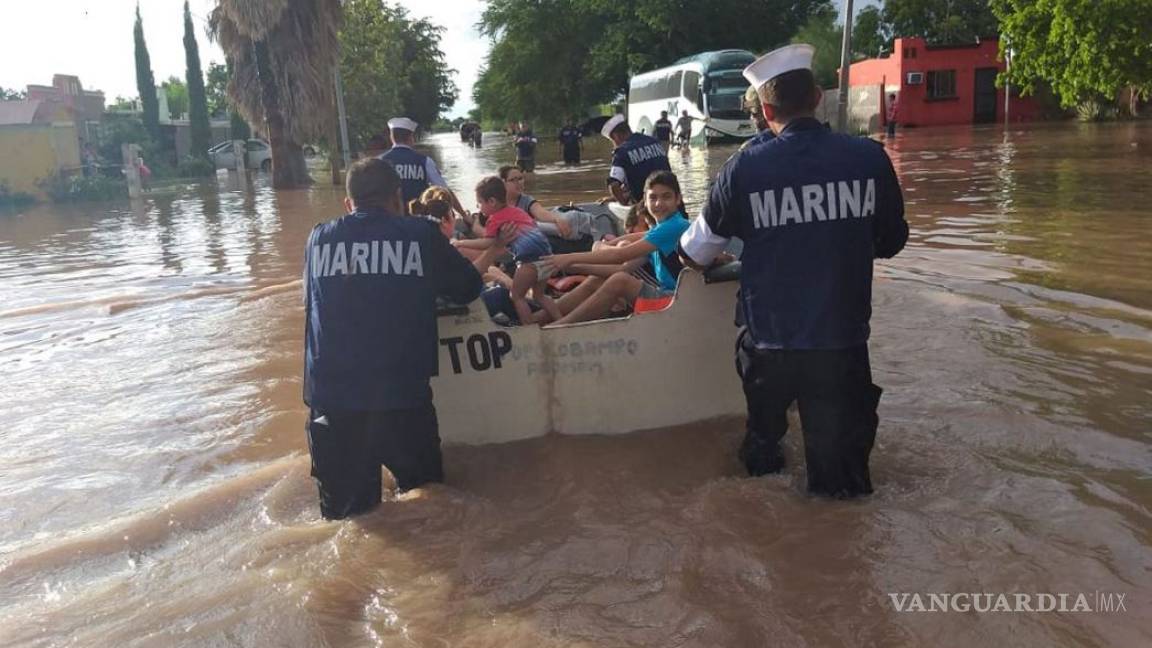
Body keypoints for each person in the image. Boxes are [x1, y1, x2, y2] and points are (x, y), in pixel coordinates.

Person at [678, 44, 909, 499]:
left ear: (765, 109)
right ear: (818, 97)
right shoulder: (868, 159)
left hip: (770, 344)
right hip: (841, 342)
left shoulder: (743, 167)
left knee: (764, 459)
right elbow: (891, 242)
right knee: (842, 487)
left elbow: (696, 252)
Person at [302, 158, 509, 520]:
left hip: (330, 404)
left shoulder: (317, 238)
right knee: (429, 505)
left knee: (350, 522)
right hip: (401, 401)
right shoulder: (420, 235)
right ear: (397, 199)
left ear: (348, 205)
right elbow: (465, 288)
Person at [546, 170, 691, 325]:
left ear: (678, 199)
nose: (658, 203)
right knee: (601, 279)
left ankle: (558, 327)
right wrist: (573, 266)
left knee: (620, 281)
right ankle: (540, 318)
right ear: (645, 201)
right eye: (653, 198)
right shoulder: (660, 228)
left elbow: (621, 256)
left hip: (677, 302)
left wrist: (567, 259)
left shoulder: (675, 226)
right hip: (670, 296)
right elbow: (622, 267)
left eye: (666, 197)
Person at [455, 176, 563, 326]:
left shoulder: (495, 219)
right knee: (539, 296)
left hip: (529, 262)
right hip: (548, 257)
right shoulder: (517, 211)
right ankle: (562, 321)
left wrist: (461, 243)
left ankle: (529, 328)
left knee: (516, 296)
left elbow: (488, 243)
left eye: (480, 203)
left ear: (492, 201)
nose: (478, 206)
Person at [379, 117, 464, 215]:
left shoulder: (379, 161)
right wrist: (464, 215)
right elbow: (444, 191)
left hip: (390, 222)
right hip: (420, 220)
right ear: (411, 137)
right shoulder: (425, 161)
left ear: (392, 137)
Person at [601, 114, 671, 206]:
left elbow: (613, 185)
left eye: (612, 141)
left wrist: (624, 204)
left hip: (649, 207)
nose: (614, 144)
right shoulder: (654, 141)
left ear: (616, 136)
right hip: (672, 202)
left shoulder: (621, 151)